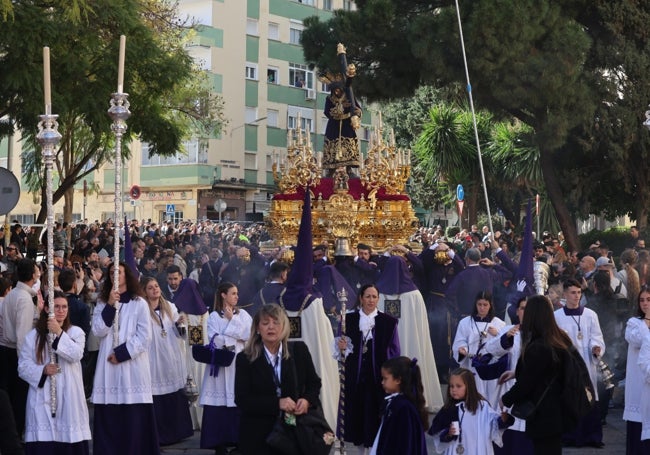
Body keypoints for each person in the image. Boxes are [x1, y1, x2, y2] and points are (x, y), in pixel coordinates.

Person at [234, 303, 323, 455]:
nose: (271, 327)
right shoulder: (245, 358)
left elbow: (314, 384)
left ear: (284, 327)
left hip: (294, 432)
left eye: (276, 322)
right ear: (257, 328)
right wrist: (277, 403)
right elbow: (242, 399)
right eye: (265, 323)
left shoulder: (299, 351)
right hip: (259, 435)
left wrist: (307, 400)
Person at [91, 262, 160, 454]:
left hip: (132, 366)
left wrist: (122, 354)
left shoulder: (139, 303)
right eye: (112, 272)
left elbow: (145, 336)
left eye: (119, 272)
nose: (115, 275)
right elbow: (98, 330)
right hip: (108, 366)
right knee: (110, 412)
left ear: (126, 276)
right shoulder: (102, 302)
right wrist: (111, 305)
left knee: (133, 414)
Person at [18, 291, 91, 453]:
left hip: (69, 396)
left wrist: (58, 332)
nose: (61, 310)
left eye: (64, 307)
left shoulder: (76, 332)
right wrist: (42, 370)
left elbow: (76, 354)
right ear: (47, 310)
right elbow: (22, 367)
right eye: (56, 307)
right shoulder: (33, 336)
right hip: (43, 397)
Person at [501, 295, 573, 454]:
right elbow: (544, 370)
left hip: (543, 412)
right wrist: (515, 373)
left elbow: (527, 382)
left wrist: (506, 399)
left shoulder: (539, 346)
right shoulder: (559, 338)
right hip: (557, 409)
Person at [335, 284, 400, 449]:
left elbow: (394, 351)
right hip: (355, 378)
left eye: (374, 297)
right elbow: (339, 349)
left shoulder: (388, 322)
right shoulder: (348, 320)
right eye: (368, 296)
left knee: (375, 418)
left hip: (378, 380)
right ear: (361, 298)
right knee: (357, 419)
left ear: (378, 299)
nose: (371, 300)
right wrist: (342, 347)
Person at [376, 254, 443, 412]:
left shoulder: (378, 293)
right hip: (412, 341)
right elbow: (421, 326)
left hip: (387, 342)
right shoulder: (414, 294)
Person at [199, 282, 252, 454]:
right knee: (219, 404)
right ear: (223, 295)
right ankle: (218, 442)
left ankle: (238, 440)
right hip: (221, 367)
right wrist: (235, 338)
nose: (237, 296)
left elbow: (249, 335)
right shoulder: (214, 316)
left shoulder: (243, 314)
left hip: (239, 364)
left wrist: (231, 321)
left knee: (238, 401)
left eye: (237, 293)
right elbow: (214, 339)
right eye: (233, 293)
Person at [141, 276, 193, 446]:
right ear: (145, 292)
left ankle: (176, 432)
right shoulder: (142, 309)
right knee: (156, 395)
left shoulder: (169, 307)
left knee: (173, 394)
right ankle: (158, 434)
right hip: (152, 357)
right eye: (150, 287)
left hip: (170, 355)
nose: (155, 289)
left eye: (156, 286)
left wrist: (180, 324)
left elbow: (181, 334)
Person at [554, 279, 605, 447]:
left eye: (579, 293)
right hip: (567, 364)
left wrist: (596, 348)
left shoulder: (591, 315)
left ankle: (592, 437)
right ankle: (570, 436)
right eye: (573, 293)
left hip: (587, 362)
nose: (577, 296)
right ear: (565, 294)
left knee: (590, 396)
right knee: (570, 397)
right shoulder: (557, 316)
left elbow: (596, 336)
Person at [484, 296, 534, 454]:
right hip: (508, 389)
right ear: (517, 311)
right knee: (506, 435)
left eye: (528, 308)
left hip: (532, 393)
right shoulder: (508, 329)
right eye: (522, 308)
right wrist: (506, 339)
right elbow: (490, 350)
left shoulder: (541, 334)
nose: (525, 311)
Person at [429, 367, 513, 455]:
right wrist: (448, 433)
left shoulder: (482, 406)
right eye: (451, 386)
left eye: (458, 386)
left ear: (469, 386)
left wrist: (503, 420)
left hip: (476, 449)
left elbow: (493, 424)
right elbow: (438, 433)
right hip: (455, 450)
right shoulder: (448, 409)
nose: (454, 389)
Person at [0, 257, 41, 435]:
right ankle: (15, 437)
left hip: (7, 351)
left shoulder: (14, 294)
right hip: (14, 354)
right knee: (18, 401)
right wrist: (24, 363)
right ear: (32, 274)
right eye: (37, 270)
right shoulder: (23, 298)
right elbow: (22, 335)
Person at [452, 291, 506, 409]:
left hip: (490, 367)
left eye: (485, 305)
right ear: (475, 305)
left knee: (490, 397)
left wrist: (498, 334)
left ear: (490, 305)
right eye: (479, 304)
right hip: (472, 366)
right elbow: (460, 341)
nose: (482, 308)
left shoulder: (499, 324)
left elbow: (505, 347)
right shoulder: (465, 323)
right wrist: (462, 350)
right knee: (472, 396)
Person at [370, 356, 428, 455]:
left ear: (398, 380)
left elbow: (405, 442)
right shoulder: (394, 402)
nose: (382, 382)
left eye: (385, 378)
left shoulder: (404, 407)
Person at [623, 285, 650, 453]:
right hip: (639, 379)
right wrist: (647, 319)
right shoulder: (634, 322)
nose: (645, 303)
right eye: (642, 300)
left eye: (648, 300)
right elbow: (637, 341)